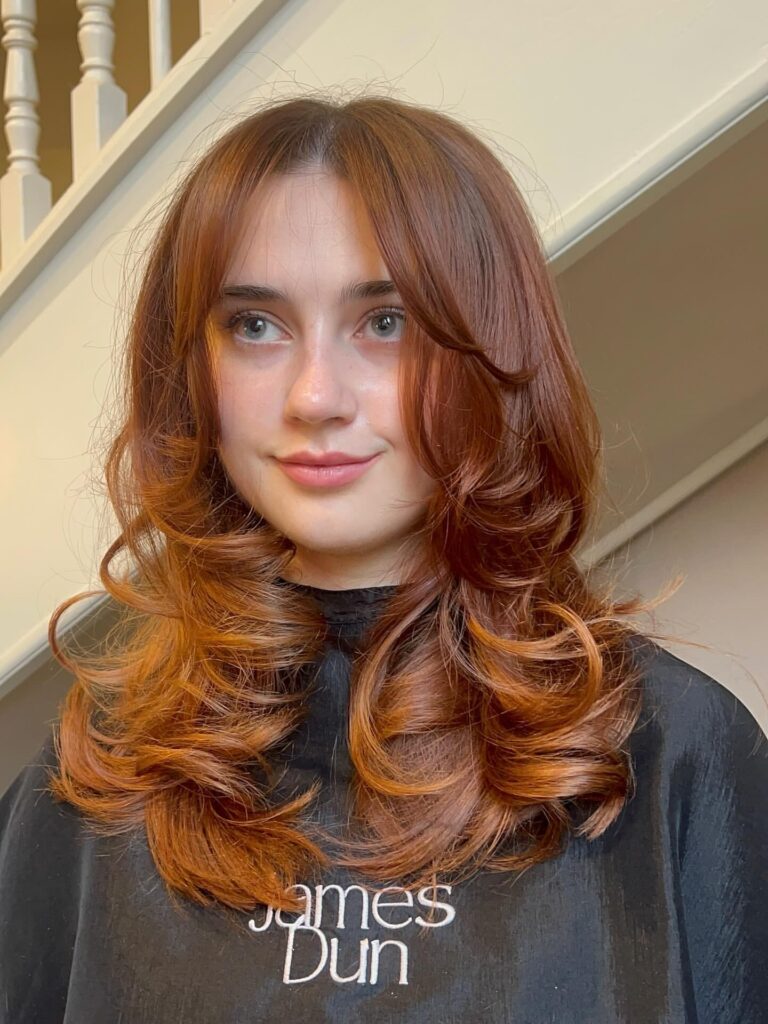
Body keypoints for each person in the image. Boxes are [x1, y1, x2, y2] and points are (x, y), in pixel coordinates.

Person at [1, 91, 766, 1024]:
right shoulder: (86, 788)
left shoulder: (678, 757)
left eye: (385, 321)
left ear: (491, 349)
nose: (315, 394)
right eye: (254, 325)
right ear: (189, 370)